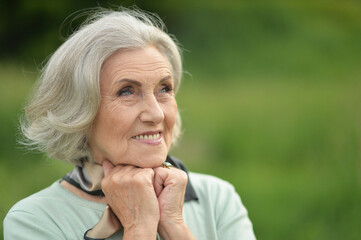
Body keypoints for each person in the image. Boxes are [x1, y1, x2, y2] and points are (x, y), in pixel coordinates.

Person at [3, 8, 256, 240]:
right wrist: (140, 227)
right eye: (127, 92)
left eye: (164, 88)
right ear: (78, 112)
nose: (156, 114)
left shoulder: (217, 199)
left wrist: (174, 225)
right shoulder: (35, 220)